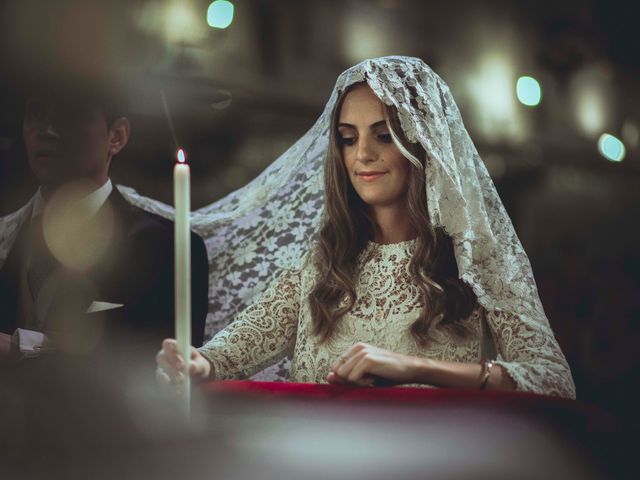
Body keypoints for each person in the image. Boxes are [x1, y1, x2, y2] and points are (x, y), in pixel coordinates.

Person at [152, 56, 575, 397]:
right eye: (349, 138)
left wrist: (415, 368)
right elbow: (222, 358)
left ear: (422, 144)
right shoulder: (322, 264)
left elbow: (554, 381)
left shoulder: (477, 261)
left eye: (384, 135)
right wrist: (193, 363)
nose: (362, 155)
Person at [0, 79, 209, 360]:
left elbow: (164, 360)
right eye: (35, 115)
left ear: (117, 136)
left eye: (68, 116)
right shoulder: (7, 234)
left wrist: (22, 346)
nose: (46, 131)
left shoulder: (169, 247)